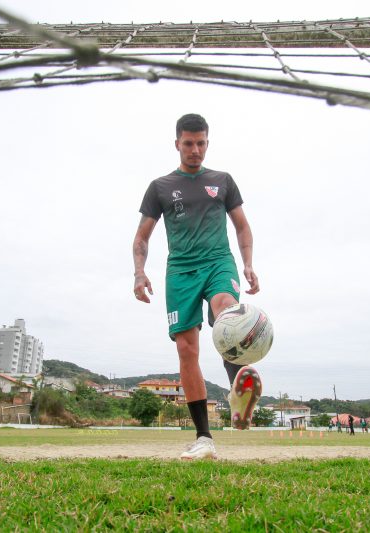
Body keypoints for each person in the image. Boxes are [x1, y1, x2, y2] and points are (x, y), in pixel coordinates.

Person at [133, 114, 262, 460]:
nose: (195, 150)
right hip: (180, 271)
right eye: (188, 143)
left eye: (201, 143)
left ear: (208, 143)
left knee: (226, 313)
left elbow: (242, 227)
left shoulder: (223, 181)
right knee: (187, 350)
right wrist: (139, 272)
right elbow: (142, 237)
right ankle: (204, 437)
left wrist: (248, 264)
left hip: (219, 261)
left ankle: (240, 395)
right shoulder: (160, 186)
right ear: (177, 143)